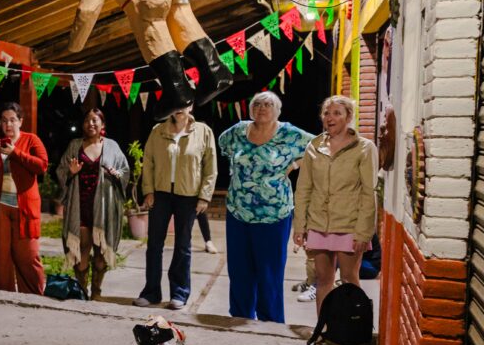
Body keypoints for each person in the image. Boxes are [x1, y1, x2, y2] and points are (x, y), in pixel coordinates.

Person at [218, 91, 314, 323]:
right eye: (257, 104)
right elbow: (222, 145)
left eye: (268, 104)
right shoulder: (237, 131)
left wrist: (295, 164)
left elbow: (320, 148)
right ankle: (240, 316)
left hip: (274, 216)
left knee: (269, 272)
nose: (261, 108)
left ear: (277, 110)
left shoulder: (289, 134)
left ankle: (270, 321)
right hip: (238, 213)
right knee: (239, 270)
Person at [293, 95, 379, 312]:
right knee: (323, 280)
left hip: (349, 224)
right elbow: (303, 189)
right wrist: (300, 226)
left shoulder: (364, 148)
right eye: (326, 113)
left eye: (337, 113)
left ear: (348, 117)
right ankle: (323, 327)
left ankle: (352, 327)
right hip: (318, 223)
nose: (330, 118)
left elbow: (369, 192)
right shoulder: (314, 147)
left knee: (349, 279)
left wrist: (364, 232)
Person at [132, 104, 216, 310]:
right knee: (154, 245)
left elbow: (210, 168)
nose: (179, 108)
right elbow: (148, 162)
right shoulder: (158, 131)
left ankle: (179, 293)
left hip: (188, 196)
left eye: (184, 104)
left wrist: (204, 196)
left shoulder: (203, 132)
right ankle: (151, 292)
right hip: (160, 194)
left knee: (183, 245)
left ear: (191, 106)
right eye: (175, 104)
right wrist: (148, 190)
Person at [0, 102, 48, 294]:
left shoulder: (31, 140)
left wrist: (16, 153)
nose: (8, 124)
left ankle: (34, 295)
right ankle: (4, 295)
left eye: (13, 120)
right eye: (4, 120)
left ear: (20, 121)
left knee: (28, 255)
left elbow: (42, 166)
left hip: (24, 206)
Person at [56, 108, 130, 300]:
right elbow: (61, 171)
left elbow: (125, 171)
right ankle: (82, 291)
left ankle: (96, 292)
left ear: (102, 124)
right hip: (80, 206)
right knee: (81, 250)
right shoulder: (74, 145)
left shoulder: (112, 146)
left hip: (104, 208)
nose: (91, 124)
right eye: (87, 120)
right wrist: (71, 172)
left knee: (101, 253)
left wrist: (116, 174)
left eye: (95, 120)